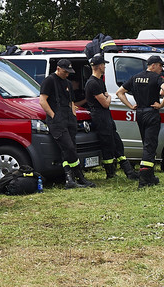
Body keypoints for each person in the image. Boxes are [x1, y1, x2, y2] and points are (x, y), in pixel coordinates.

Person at [115, 55, 164, 188]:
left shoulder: (135, 77)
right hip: (151, 113)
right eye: (160, 65)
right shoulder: (157, 78)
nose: (161, 68)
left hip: (139, 113)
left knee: (146, 144)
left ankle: (150, 176)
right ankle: (145, 179)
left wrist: (130, 106)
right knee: (150, 146)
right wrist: (161, 105)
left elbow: (119, 92)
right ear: (153, 65)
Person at [82, 54, 138, 180]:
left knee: (116, 142)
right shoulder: (92, 83)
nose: (105, 67)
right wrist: (109, 97)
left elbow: (105, 100)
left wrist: (106, 96)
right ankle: (111, 173)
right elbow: (106, 103)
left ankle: (128, 171)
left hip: (105, 116)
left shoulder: (99, 81)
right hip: (100, 116)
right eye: (103, 64)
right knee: (107, 144)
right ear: (98, 66)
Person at [40, 60, 94, 188]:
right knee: (69, 148)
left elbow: (71, 103)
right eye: (65, 72)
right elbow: (42, 101)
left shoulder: (68, 82)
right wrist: (53, 116)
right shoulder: (49, 81)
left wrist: (74, 117)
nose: (67, 74)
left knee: (68, 150)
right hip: (57, 121)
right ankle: (79, 177)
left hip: (69, 120)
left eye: (69, 72)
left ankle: (69, 179)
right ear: (58, 69)